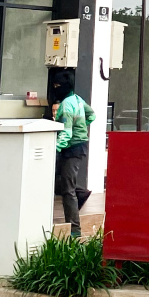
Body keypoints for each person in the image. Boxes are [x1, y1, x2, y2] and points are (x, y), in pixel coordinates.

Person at [52, 69, 96, 237]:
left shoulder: (66, 105)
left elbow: (66, 133)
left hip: (71, 148)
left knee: (67, 190)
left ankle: (75, 230)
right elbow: (92, 115)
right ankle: (81, 194)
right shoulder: (78, 100)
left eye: (57, 85)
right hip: (79, 146)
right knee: (61, 182)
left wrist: (55, 149)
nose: (55, 89)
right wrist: (82, 126)